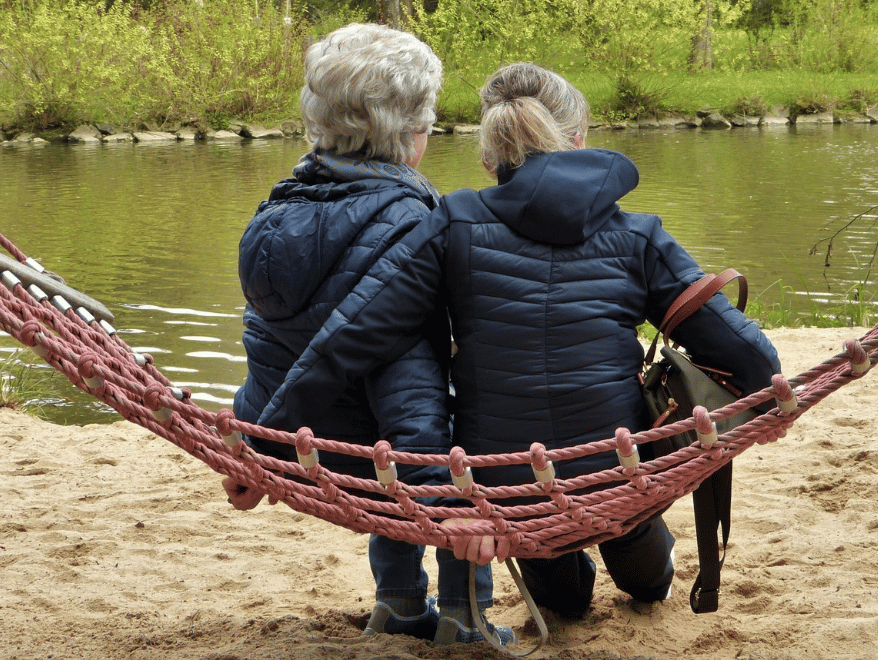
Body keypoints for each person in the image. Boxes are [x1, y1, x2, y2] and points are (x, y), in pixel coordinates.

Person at [256, 62, 781, 622]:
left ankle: (577, 566)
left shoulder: (451, 222)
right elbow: (746, 354)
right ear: (578, 139)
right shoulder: (639, 235)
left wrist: (262, 446)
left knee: (562, 600)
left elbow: (352, 337)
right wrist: (770, 400)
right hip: (618, 470)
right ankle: (641, 559)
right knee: (641, 562)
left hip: (508, 491)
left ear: (488, 156)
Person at [224, 22, 506, 647]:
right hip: (378, 453)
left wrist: (254, 442)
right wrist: (445, 510)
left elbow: (273, 345)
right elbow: (413, 395)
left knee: (389, 427)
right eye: (427, 119)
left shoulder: (274, 212)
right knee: (473, 422)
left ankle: (399, 600)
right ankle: (465, 614)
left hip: (298, 441)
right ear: (409, 133)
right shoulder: (413, 225)